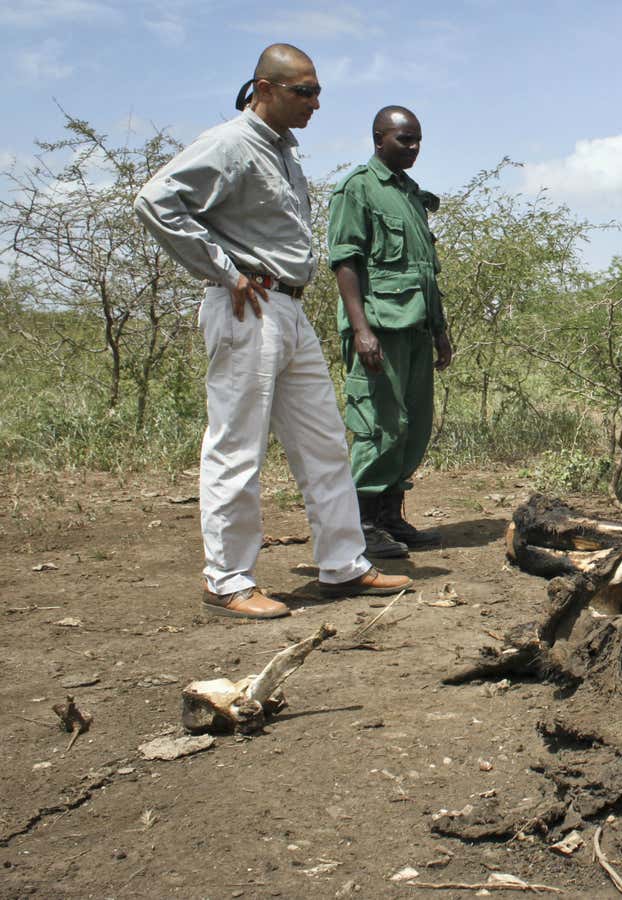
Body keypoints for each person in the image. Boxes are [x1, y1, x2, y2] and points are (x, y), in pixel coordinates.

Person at [134, 43, 411, 620]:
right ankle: (227, 578)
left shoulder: (283, 151)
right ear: (264, 88)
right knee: (238, 447)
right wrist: (222, 269)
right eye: (303, 91)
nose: (314, 103)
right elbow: (156, 201)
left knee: (325, 442)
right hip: (248, 304)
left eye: (318, 93)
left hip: (290, 306)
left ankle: (344, 564)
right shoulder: (231, 143)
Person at [327, 106, 453, 555]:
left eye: (418, 139)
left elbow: (425, 270)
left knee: (412, 426)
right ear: (379, 138)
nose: (414, 147)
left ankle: (389, 518)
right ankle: (359, 524)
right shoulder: (356, 189)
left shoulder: (411, 195)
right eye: (404, 139)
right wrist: (361, 329)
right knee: (379, 424)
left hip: (416, 328)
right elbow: (345, 261)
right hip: (380, 328)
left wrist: (439, 329)